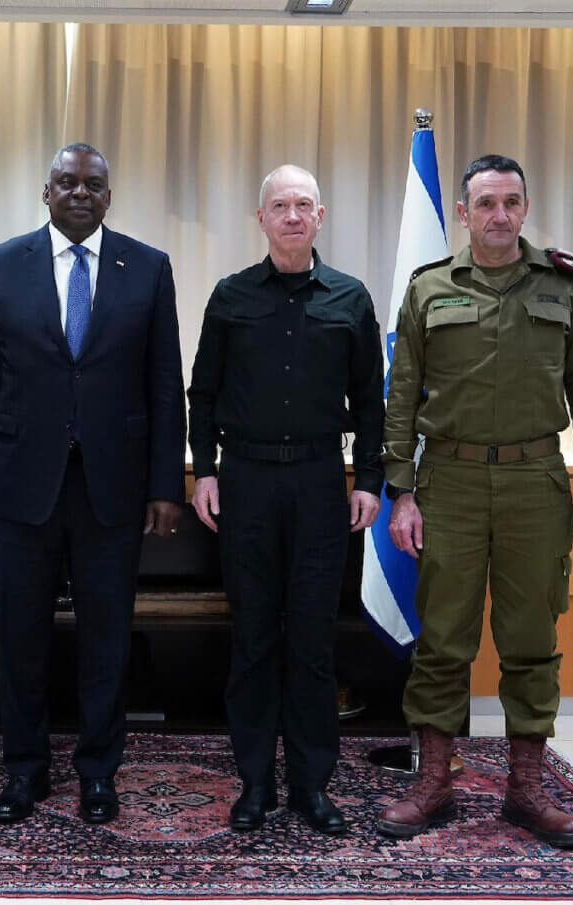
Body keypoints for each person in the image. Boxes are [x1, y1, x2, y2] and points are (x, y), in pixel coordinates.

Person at [377, 154, 573, 849]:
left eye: (511, 201)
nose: (500, 215)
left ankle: (526, 788)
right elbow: (400, 397)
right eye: (486, 203)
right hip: (446, 484)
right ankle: (435, 783)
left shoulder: (563, 284)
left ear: (526, 207)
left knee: (531, 641)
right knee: (444, 639)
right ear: (462, 211)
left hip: (535, 484)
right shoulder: (429, 289)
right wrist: (400, 491)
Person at [0, 143, 186, 826]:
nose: (79, 192)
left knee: (106, 638)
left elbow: (165, 385)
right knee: (19, 638)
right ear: (45, 191)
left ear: (108, 196)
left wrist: (165, 483)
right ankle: (23, 771)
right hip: (21, 486)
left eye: (93, 183)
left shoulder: (147, 267)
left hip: (113, 489)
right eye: (66, 182)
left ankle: (98, 773)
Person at [188, 164, 384, 834]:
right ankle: (254, 783)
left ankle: (311, 784)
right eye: (281, 205)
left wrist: (371, 480)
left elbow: (373, 404)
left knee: (311, 641)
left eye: (304, 204)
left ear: (320, 217)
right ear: (263, 218)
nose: (293, 216)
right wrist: (205, 471)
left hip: (319, 484)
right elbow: (203, 394)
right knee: (251, 640)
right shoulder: (230, 295)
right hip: (245, 483)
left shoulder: (350, 299)